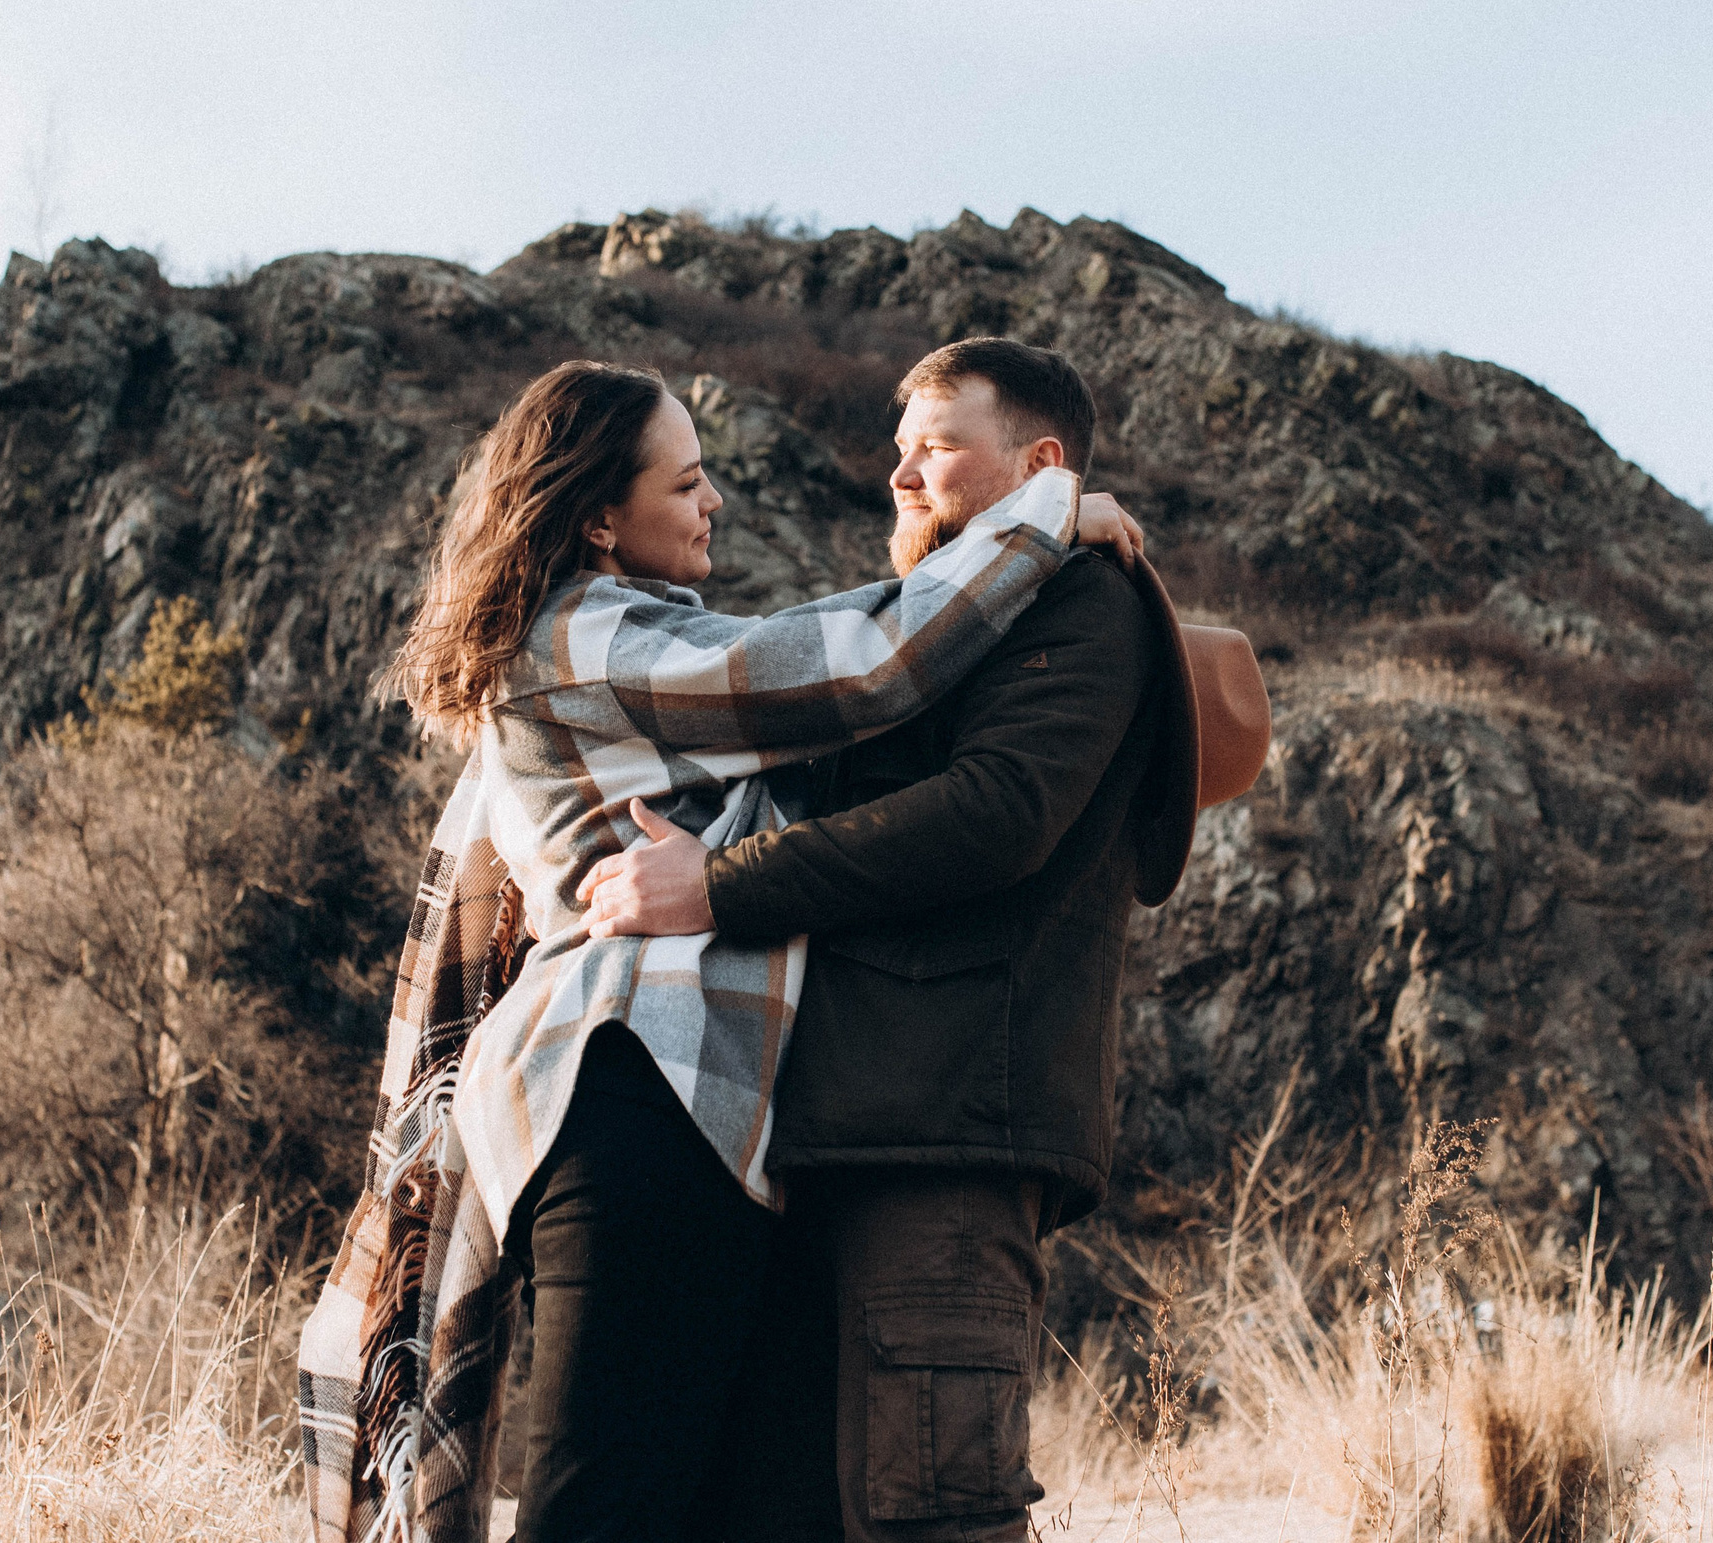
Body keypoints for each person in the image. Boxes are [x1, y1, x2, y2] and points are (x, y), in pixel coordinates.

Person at [296, 357, 1147, 1543]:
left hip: (694, 1102)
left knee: (707, 1500)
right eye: (685, 482)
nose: (713, 504)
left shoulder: (629, 635)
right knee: (608, 1500)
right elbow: (861, 663)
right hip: (634, 1078)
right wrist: (1043, 518)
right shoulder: (587, 631)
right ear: (599, 514)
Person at [577, 337, 1200, 1543]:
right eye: (899, 451)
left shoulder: (1083, 597)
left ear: (1040, 465)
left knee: (932, 1509)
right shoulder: (935, 630)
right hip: (836, 1137)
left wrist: (715, 884)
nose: (902, 476)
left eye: (938, 446)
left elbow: (993, 813)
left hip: (946, 1132)